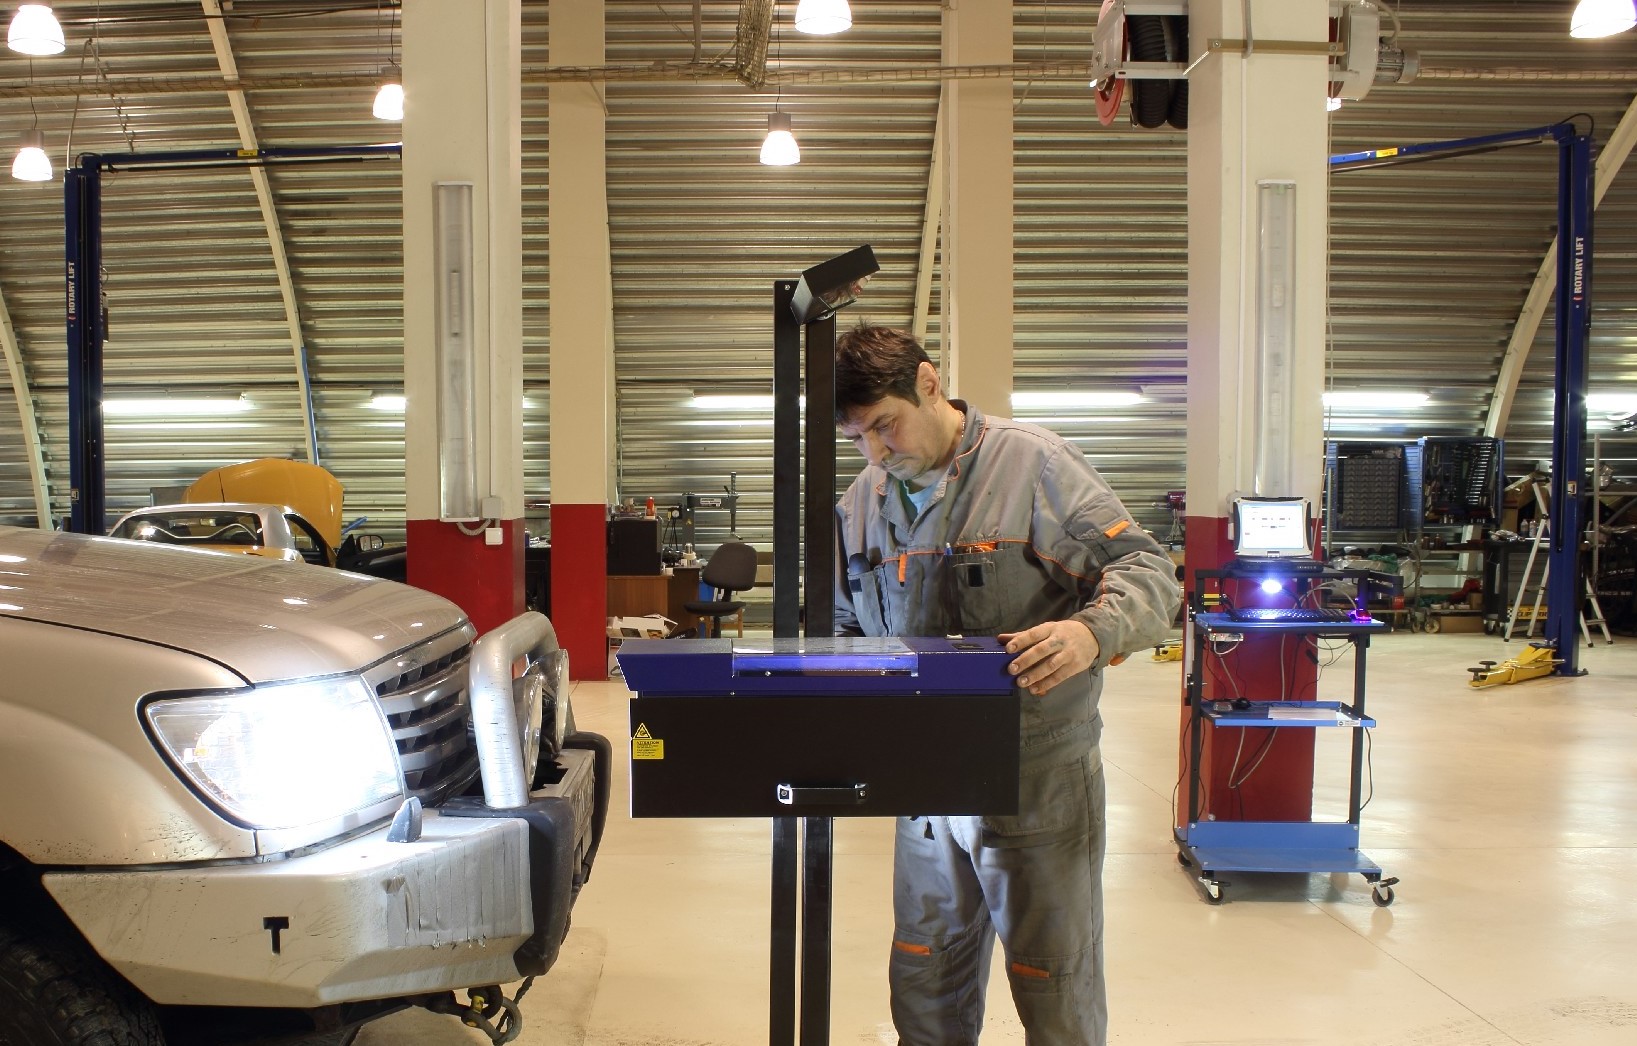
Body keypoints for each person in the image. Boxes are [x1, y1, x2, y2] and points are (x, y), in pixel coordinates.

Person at [832, 325, 1180, 1046]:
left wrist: (1090, 633)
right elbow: (841, 627)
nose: (875, 453)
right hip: (925, 788)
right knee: (925, 977)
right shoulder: (864, 500)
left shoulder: (1035, 466)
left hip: (1035, 779)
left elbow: (1148, 573)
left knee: (1052, 982)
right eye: (858, 437)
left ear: (928, 383)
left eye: (884, 426)